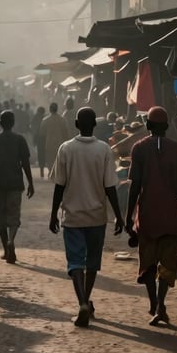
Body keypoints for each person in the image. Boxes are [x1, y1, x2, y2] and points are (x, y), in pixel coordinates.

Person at [49, 106, 124, 328]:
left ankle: (82, 302)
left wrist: (54, 213)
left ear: (76, 124)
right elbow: (111, 187)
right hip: (97, 216)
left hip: (72, 216)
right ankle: (85, 301)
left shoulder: (66, 149)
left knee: (75, 262)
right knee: (92, 263)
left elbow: (59, 186)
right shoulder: (104, 150)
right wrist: (119, 216)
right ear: (95, 126)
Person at [125, 106, 177, 326]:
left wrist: (128, 216)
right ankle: (160, 304)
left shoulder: (138, 149)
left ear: (147, 126)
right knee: (167, 264)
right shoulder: (176, 149)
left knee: (148, 263)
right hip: (170, 215)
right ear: (166, 127)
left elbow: (134, 186)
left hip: (147, 216)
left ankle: (153, 303)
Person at [0, 110, 34, 263]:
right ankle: (11, 240)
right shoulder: (20, 140)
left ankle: (6, 248)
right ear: (13, 123)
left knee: (1, 217)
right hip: (15, 183)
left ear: (0, 123)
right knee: (13, 215)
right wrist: (30, 182)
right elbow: (25, 163)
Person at [38, 102, 69, 180]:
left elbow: (42, 134)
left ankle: (51, 173)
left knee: (50, 159)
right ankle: (57, 173)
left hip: (49, 143)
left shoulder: (45, 120)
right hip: (60, 142)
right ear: (57, 109)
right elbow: (65, 132)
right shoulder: (62, 119)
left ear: (50, 109)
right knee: (58, 158)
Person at [31, 106, 46, 173]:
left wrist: (34, 138)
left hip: (38, 137)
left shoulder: (35, 117)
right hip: (44, 137)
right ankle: (43, 166)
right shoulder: (45, 118)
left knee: (40, 152)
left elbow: (33, 128)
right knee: (44, 151)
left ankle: (41, 168)